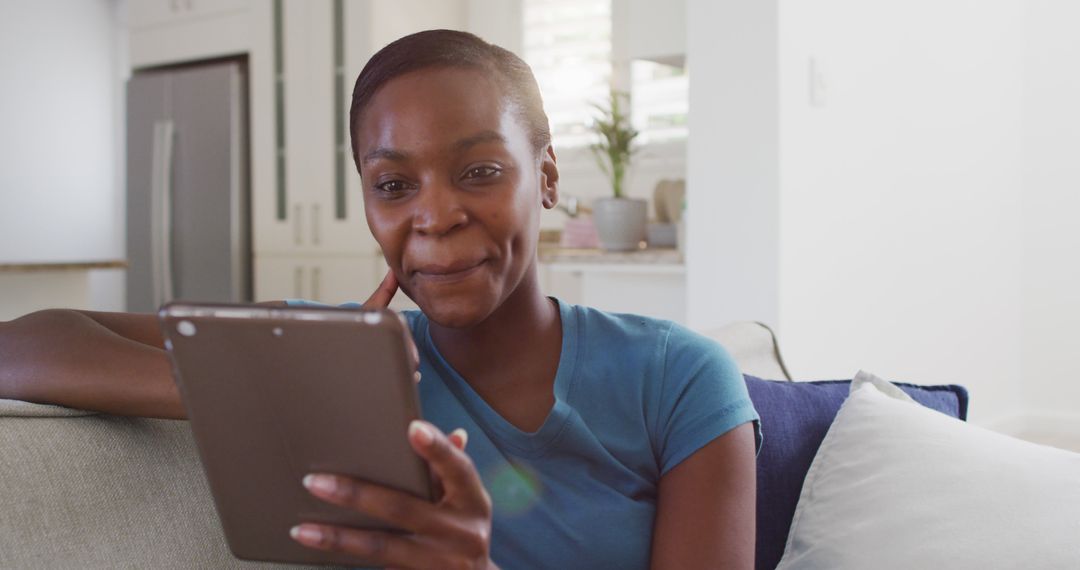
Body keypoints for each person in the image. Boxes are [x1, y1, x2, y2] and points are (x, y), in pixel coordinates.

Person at [0, 30, 759, 569]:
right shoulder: (321, 357)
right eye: (394, 185)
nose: (435, 215)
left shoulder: (682, 379)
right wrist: (265, 388)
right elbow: (22, 343)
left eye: (481, 172)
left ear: (549, 176)